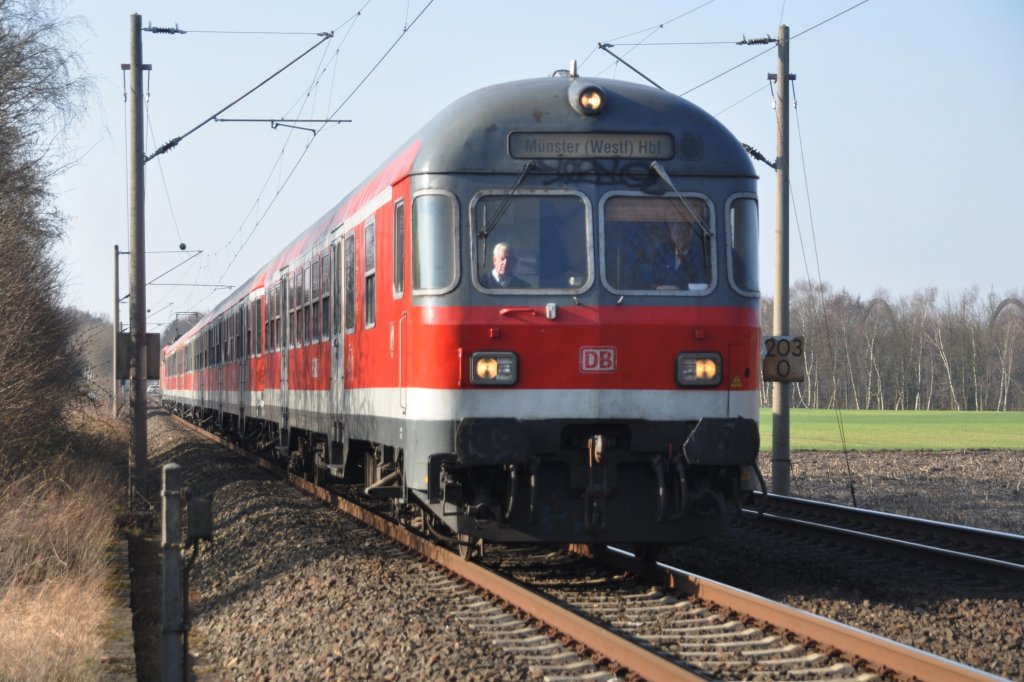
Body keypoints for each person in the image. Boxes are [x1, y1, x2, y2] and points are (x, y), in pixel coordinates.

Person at [652, 222, 706, 290]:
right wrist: (657, 287)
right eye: (676, 233)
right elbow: (650, 281)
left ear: (690, 234)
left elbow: (702, 285)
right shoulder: (661, 255)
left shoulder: (699, 257)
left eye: (683, 232)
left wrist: (680, 289)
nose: (680, 236)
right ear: (671, 235)